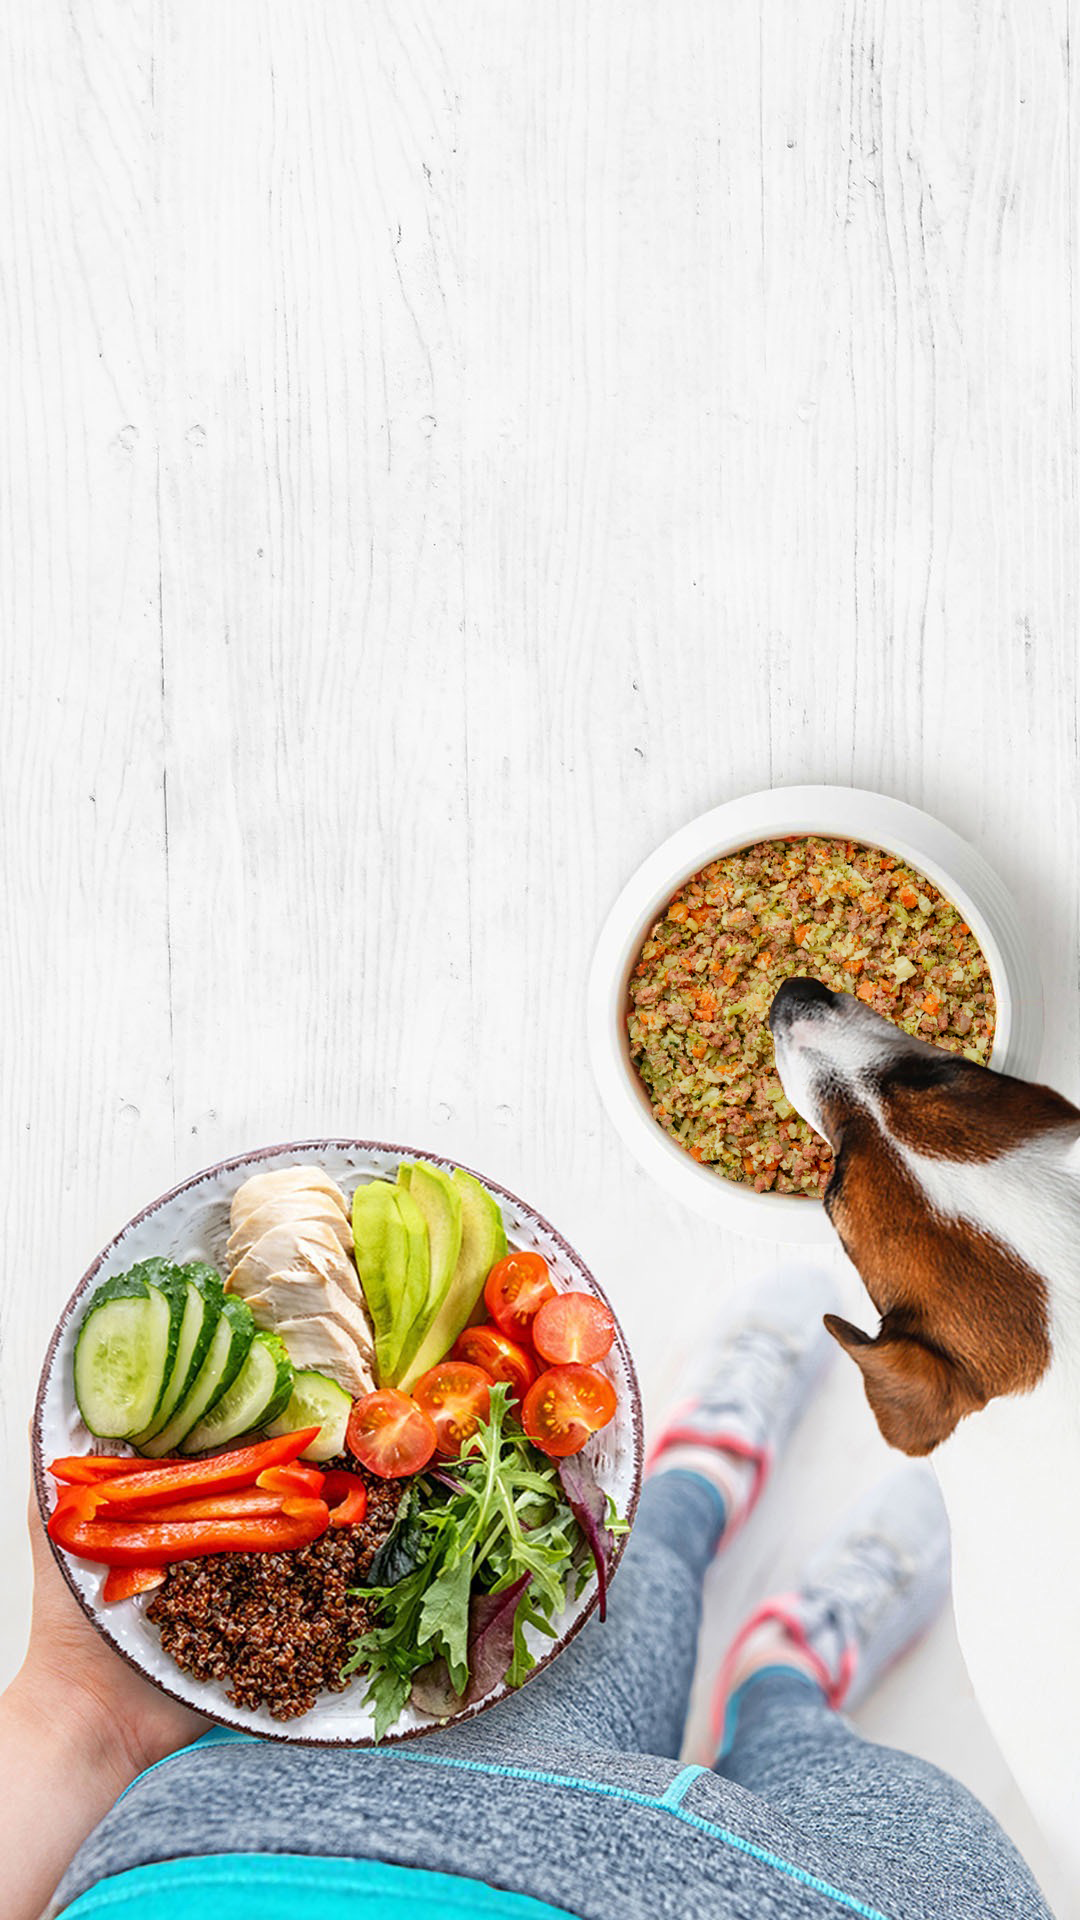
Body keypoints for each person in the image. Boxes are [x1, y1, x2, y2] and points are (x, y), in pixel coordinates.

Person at [5, 1268, 1052, 1920]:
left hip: (284, 1833)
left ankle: (688, 1491)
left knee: (622, 1590)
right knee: (854, 1775)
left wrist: (80, 1713)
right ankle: (786, 1667)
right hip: (834, 1901)